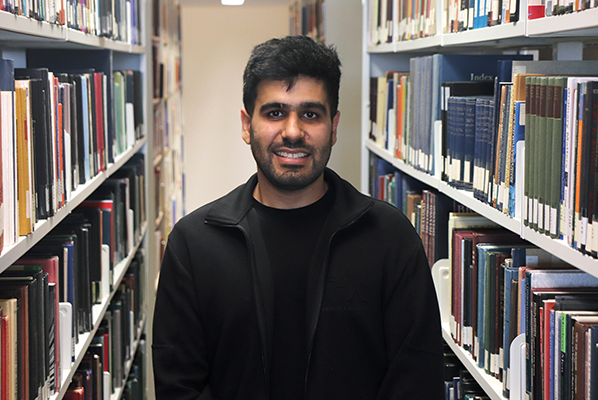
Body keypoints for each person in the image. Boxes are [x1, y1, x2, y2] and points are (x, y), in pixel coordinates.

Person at [152, 35, 444, 400]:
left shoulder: (389, 237)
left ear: (334, 126)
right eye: (275, 113)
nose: (292, 132)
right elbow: (179, 385)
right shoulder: (194, 244)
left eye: (310, 114)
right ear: (247, 124)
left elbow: (416, 376)